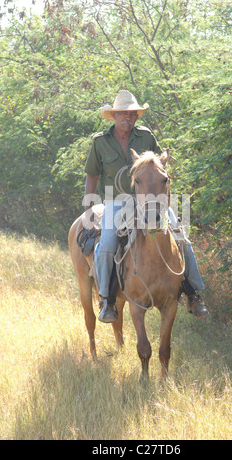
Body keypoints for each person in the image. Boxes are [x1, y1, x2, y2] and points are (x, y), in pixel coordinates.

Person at [84, 90, 209, 323]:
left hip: (151, 200)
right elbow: (92, 176)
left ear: (136, 117)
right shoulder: (100, 142)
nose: (128, 118)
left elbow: (160, 166)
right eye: (123, 114)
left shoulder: (146, 137)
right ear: (114, 115)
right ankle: (107, 300)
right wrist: (89, 209)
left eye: (132, 114)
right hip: (115, 201)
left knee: (182, 238)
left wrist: (164, 192)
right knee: (107, 243)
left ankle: (193, 294)